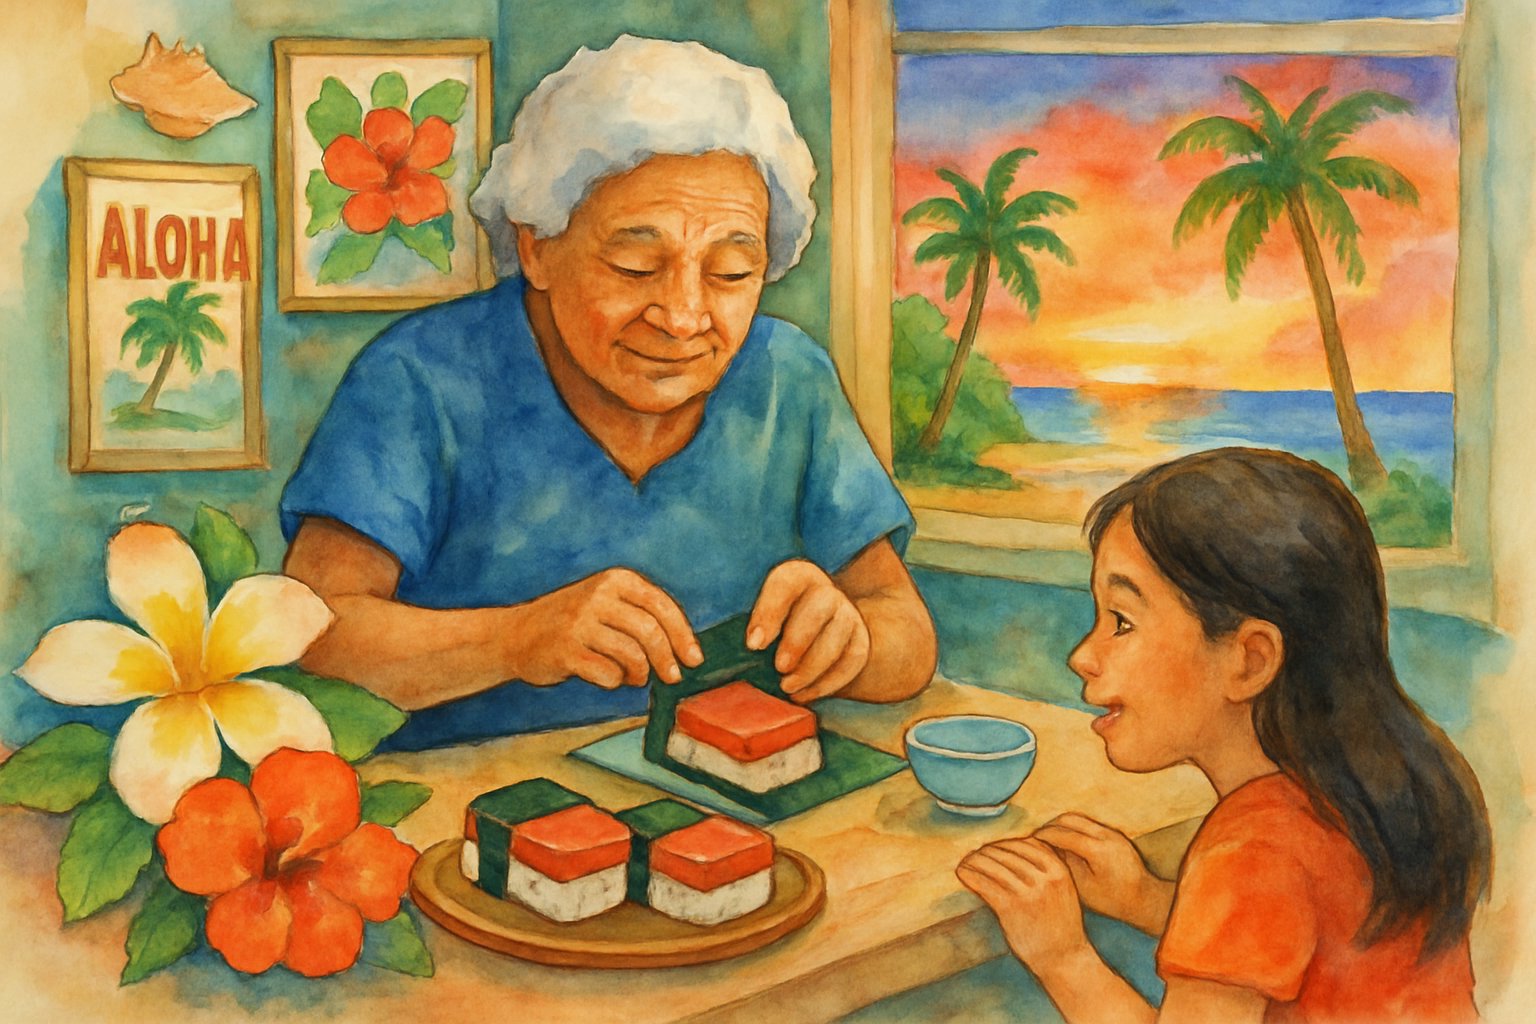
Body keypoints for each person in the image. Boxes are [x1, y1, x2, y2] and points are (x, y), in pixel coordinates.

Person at [279, 36, 936, 749]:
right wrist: (517, 639)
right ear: (536, 247)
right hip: (462, 816)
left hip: (708, 805)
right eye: (634, 265)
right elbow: (310, 634)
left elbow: (908, 636)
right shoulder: (418, 381)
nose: (683, 317)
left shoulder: (790, 379)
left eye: (730, 273)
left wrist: (854, 640)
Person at [958, 448, 1489, 1023]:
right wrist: (1144, 899)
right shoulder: (1380, 791)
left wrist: (1061, 956)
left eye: (1122, 622)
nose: (1083, 655)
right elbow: (1307, 947)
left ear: (1250, 660)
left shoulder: (1253, 846)